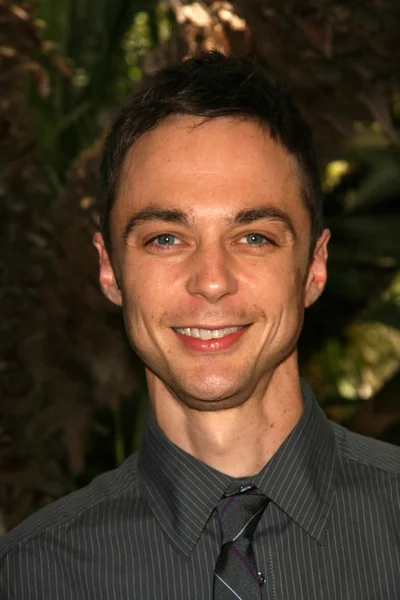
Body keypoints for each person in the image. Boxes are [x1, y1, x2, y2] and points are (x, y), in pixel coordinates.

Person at [0, 51, 399, 600]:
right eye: (165, 238)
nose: (211, 281)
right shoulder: (32, 575)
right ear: (109, 269)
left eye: (254, 236)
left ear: (313, 267)